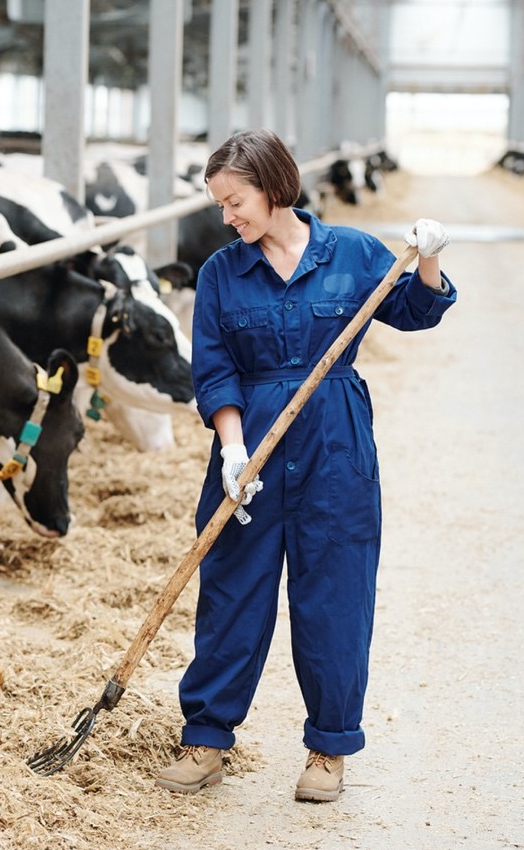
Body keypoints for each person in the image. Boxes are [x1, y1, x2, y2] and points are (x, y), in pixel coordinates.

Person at [154, 129, 455, 802]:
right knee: (231, 592)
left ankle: (328, 748)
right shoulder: (219, 273)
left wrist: (428, 259)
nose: (227, 218)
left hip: (334, 444)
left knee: (334, 596)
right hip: (251, 445)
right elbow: (213, 368)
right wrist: (231, 446)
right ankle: (205, 739)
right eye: (220, 206)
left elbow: (412, 311)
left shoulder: (350, 253)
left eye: (236, 202)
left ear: (273, 186)